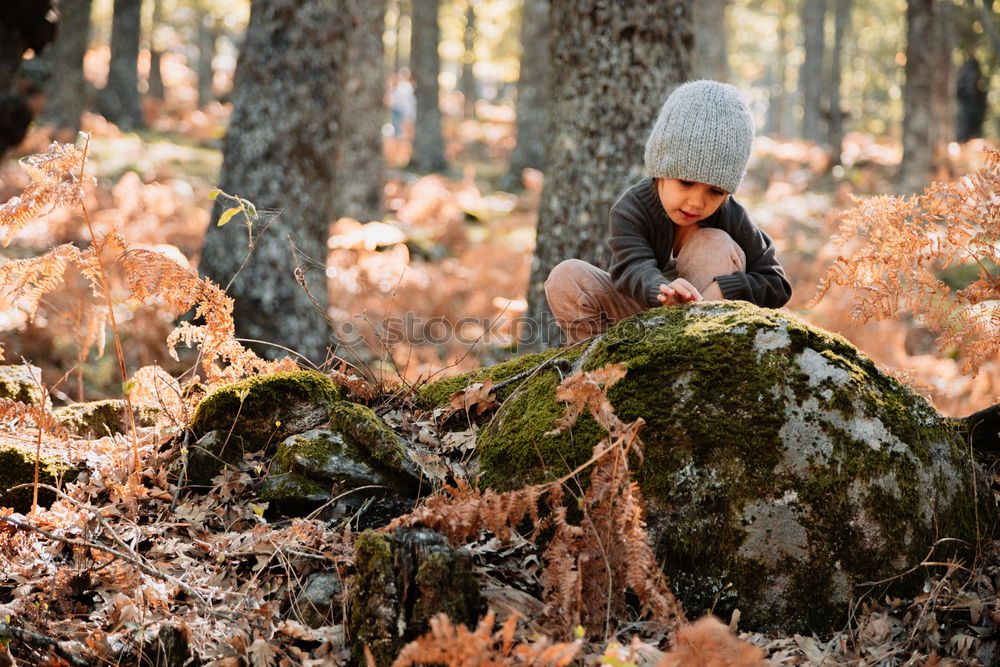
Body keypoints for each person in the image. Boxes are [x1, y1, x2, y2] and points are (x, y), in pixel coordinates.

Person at [544, 80, 792, 345]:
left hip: (700, 321)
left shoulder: (732, 216)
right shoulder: (631, 209)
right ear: (660, 168)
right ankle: (599, 367)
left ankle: (685, 359)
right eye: (686, 182)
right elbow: (631, 266)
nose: (697, 203)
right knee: (565, 275)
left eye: (715, 192)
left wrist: (725, 288)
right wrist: (660, 291)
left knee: (714, 242)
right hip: (638, 316)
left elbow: (776, 284)